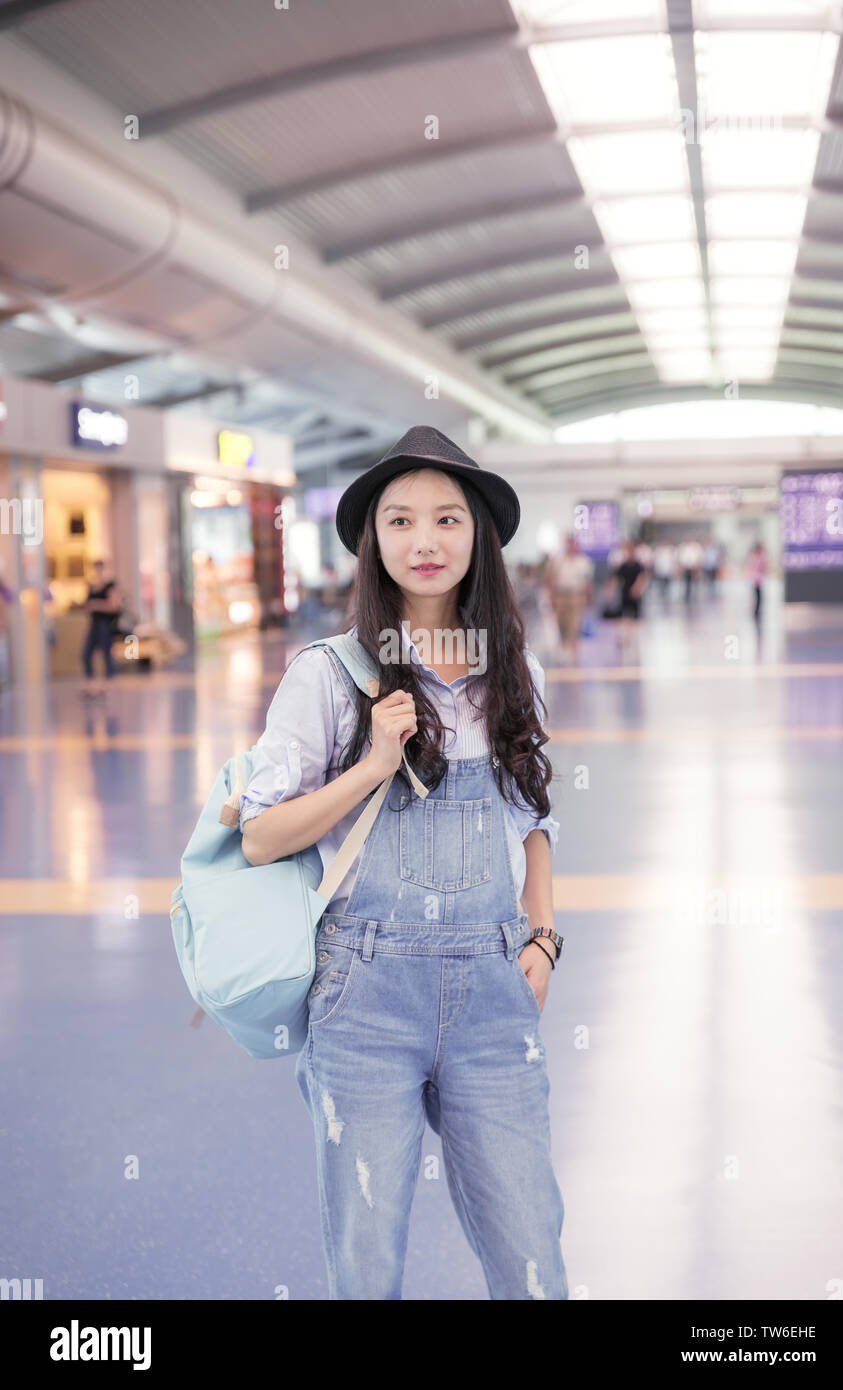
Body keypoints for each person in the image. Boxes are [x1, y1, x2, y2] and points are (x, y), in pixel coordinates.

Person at [239, 425, 569, 1301]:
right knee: (368, 1263)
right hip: (365, 997)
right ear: (373, 542)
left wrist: (542, 940)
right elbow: (261, 836)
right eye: (400, 521)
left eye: (448, 520)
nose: (425, 542)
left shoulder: (514, 670)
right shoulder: (325, 675)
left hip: (495, 995)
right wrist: (373, 768)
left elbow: (536, 818)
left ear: (479, 539)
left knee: (533, 1254)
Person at [544, 533, 594, 657]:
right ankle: (564, 646)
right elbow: (549, 578)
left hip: (577, 596)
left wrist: (589, 597)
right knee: (561, 623)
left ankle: (573, 650)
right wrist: (550, 595)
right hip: (560, 596)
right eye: (569, 543)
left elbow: (588, 581)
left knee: (575, 624)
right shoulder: (558, 561)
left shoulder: (583, 561)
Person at [81, 559, 121, 698]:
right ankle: (91, 683)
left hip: (105, 624)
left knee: (106, 653)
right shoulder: (91, 587)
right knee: (86, 654)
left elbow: (114, 606)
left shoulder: (109, 586)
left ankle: (109, 683)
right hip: (94, 624)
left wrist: (96, 604)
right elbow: (87, 607)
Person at [614, 539, 650, 638]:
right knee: (622, 615)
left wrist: (638, 589)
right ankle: (624, 636)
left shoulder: (638, 566)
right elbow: (616, 578)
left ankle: (635, 636)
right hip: (625, 592)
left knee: (635, 616)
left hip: (635, 594)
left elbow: (643, 577)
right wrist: (611, 591)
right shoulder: (623, 565)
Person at [746, 541, 769, 621]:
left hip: (757, 579)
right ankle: (756, 612)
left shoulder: (756, 556)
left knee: (758, 597)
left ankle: (757, 611)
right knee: (758, 597)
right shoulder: (759, 557)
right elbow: (763, 567)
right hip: (757, 579)